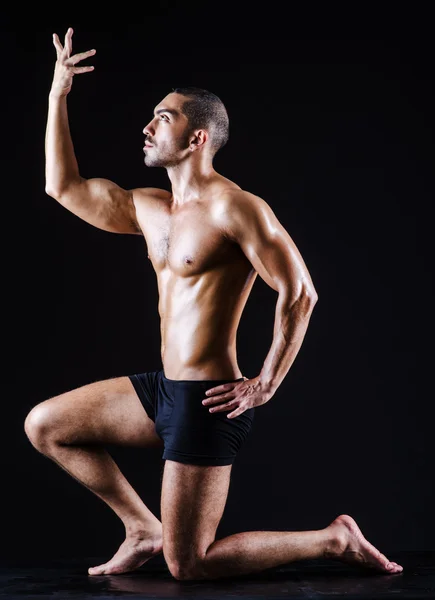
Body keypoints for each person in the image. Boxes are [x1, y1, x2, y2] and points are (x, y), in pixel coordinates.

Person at [24, 27, 403, 580]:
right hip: (163, 391)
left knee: (189, 565)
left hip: (207, 401)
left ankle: (333, 540)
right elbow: (63, 186)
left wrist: (265, 382)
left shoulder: (237, 209)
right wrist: (58, 94)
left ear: (198, 137)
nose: (148, 127)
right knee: (45, 425)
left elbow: (300, 293)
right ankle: (140, 527)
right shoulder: (148, 208)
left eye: (164, 118)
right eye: (152, 117)